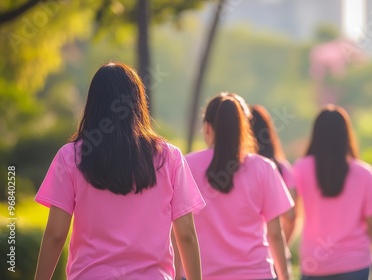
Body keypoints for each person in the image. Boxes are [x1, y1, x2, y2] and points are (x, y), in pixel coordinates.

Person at [34, 62, 205, 280]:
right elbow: (187, 234)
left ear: (94, 103)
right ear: (138, 101)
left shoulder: (70, 157)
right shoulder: (169, 157)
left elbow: (56, 235)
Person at [182, 93, 294, 280]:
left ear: (207, 128)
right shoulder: (263, 167)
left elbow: (180, 232)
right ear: (243, 128)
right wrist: (285, 276)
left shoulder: (186, 165)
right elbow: (275, 233)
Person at [293, 105, 372, 280]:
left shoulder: (300, 168)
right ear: (346, 134)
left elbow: (290, 213)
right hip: (354, 264)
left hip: (314, 263)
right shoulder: (364, 173)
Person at [251, 105, 297, 243]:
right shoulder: (281, 168)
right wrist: (281, 249)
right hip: (268, 252)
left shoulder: (235, 170)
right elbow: (291, 216)